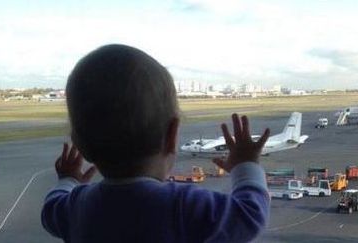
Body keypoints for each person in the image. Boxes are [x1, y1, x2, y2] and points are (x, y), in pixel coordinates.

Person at [41, 44, 271, 243]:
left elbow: (50, 208)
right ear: (172, 135)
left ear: (79, 143)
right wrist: (246, 165)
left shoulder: (74, 207)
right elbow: (249, 214)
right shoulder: (183, 205)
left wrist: (68, 180)